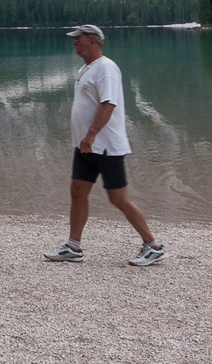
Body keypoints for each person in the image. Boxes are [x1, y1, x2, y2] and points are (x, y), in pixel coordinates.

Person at [45, 25, 164, 266]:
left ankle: (152, 246)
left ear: (92, 42)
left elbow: (108, 104)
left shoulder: (106, 68)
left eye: (78, 39)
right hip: (86, 146)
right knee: (78, 191)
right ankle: (73, 247)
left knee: (118, 198)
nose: (74, 43)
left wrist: (91, 134)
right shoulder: (86, 69)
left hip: (106, 146)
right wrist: (86, 139)